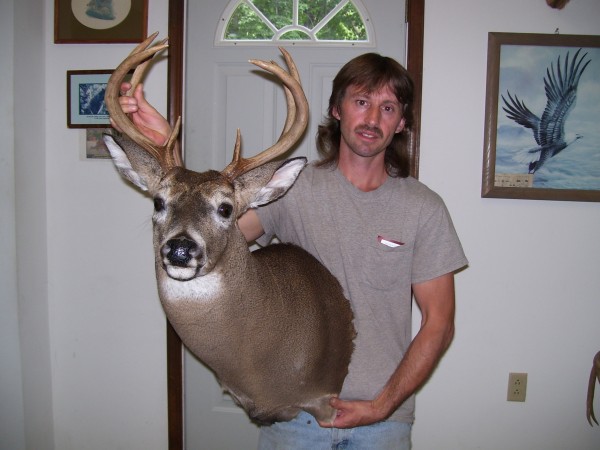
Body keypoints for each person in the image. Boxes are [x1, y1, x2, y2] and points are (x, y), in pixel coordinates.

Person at [115, 52, 468, 450]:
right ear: (337, 109)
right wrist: (169, 154)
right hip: (294, 417)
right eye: (361, 102)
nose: (372, 119)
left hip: (382, 424)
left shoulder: (424, 208)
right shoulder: (294, 189)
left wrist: (383, 406)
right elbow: (210, 231)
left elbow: (440, 323)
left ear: (402, 122)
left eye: (388, 108)